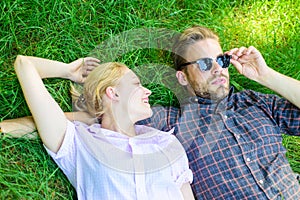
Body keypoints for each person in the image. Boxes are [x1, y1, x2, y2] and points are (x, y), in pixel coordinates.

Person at [2, 25, 300, 199]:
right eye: (205, 63)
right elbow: (92, 121)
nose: (219, 69)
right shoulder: (167, 124)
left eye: (221, 60)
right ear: (182, 77)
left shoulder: (259, 103)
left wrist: (267, 76)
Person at [12, 56, 194, 199]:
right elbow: (24, 64)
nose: (148, 91)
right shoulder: (79, 143)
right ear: (113, 92)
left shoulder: (167, 143)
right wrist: (68, 71)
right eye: (137, 85)